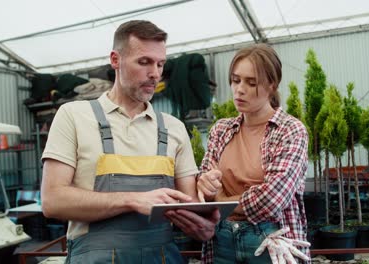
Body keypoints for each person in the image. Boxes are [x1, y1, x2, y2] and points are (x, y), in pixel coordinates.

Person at [40, 20, 219, 263]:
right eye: (144, 62)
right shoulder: (74, 116)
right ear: (115, 60)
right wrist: (133, 200)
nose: (155, 73)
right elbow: (52, 201)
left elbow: (188, 205)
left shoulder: (174, 128)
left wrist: (204, 221)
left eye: (160, 64)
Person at [196, 44, 311, 264]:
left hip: (271, 241)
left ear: (272, 85)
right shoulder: (221, 130)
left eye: (251, 83)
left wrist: (221, 199)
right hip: (222, 240)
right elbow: (204, 179)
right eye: (235, 80)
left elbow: (272, 198)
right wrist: (204, 184)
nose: (239, 89)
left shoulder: (289, 130)